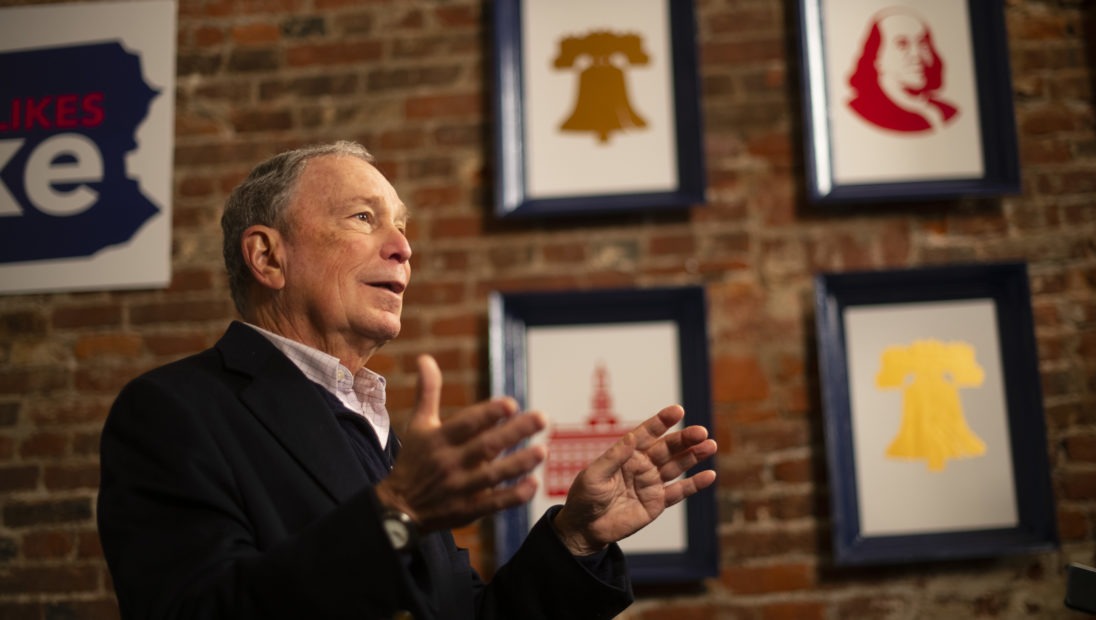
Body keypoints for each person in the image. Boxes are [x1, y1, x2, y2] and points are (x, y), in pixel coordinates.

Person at [96, 140, 718, 619]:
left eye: (402, 226)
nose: (402, 247)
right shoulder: (174, 411)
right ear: (267, 257)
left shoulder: (374, 427)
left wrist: (576, 538)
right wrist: (396, 513)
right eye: (365, 218)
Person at [846, 8, 959, 133]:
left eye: (922, 43)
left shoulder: (947, 111)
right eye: (902, 44)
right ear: (876, 56)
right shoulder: (863, 110)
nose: (916, 54)